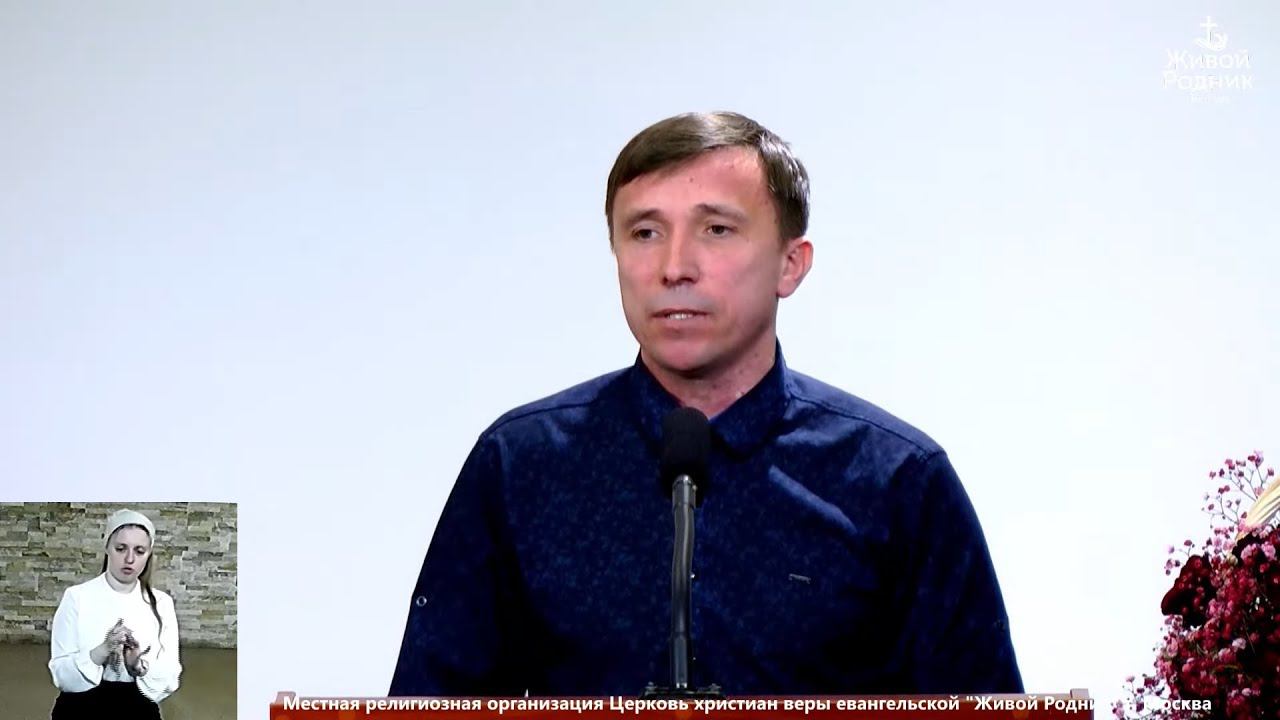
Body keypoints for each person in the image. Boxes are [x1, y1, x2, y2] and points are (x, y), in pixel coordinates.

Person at [390, 111, 1022, 696]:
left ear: (791, 264)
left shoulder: (897, 479)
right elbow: (425, 706)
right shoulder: (519, 465)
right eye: (645, 233)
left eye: (716, 229)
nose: (674, 268)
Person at [48, 509, 182, 718]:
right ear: (107, 548)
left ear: (149, 554)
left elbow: (170, 675)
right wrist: (101, 651)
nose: (129, 559)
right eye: (121, 548)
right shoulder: (76, 597)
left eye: (139, 551)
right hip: (80, 706)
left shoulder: (162, 604)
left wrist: (137, 666)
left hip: (137, 706)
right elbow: (61, 674)